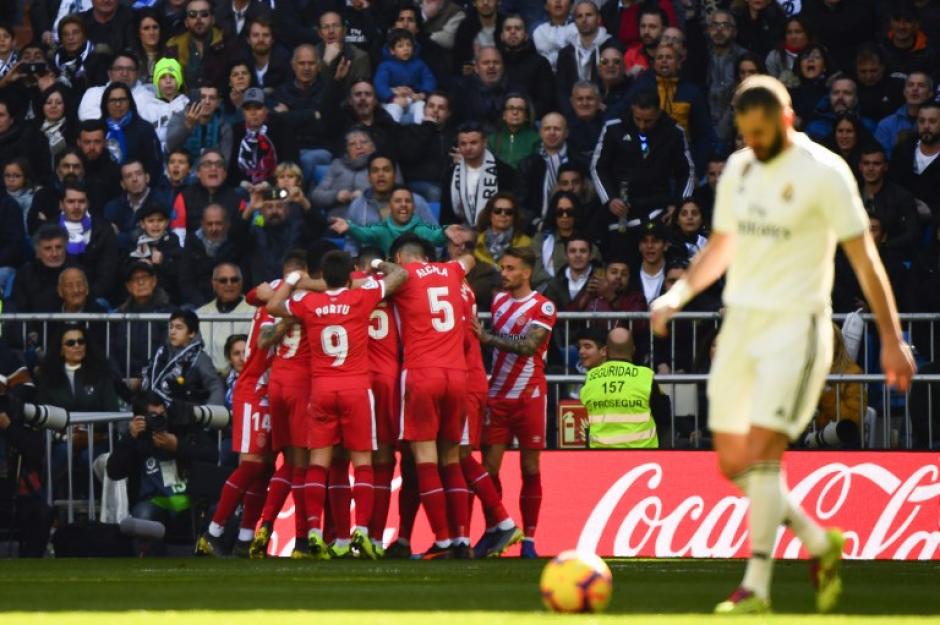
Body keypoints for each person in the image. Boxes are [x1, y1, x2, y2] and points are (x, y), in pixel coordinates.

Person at [650, 75, 915, 614]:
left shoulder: (825, 173)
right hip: (742, 326)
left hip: (797, 329)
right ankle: (820, 543)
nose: (755, 145)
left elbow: (865, 259)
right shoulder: (741, 170)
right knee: (731, 460)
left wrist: (891, 339)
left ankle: (757, 586)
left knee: (765, 454)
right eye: (746, 135)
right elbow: (722, 244)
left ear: (788, 118)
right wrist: (678, 292)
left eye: (763, 134)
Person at [266, 251, 408, 559]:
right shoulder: (362, 298)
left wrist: (293, 279)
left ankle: (315, 531)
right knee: (363, 463)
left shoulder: (310, 303)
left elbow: (274, 305)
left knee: (319, 462)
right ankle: (362, 531)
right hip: (356, 388)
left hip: (322, 390)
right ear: (349, 277)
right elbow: (400, 277)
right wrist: (377, 266)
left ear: (322, 277)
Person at [388, 233, 476, 558]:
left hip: (423, 373)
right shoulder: (451, 271)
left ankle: (441, 542)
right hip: (457, 375)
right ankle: (462, 539)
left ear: (399, 258)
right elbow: (469, 260)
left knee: (424, 459)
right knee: (451, 460)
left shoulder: (402, 277)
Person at [472, 246, 555, 558]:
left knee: (530, 468)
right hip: (498, 398)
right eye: (502, 268)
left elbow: (529, 345)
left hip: (530, 396)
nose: (504, 274)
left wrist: (488, 339)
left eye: (510, 268)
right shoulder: (497, 300)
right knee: (489, 469)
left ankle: (530, 540)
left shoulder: (543, 307)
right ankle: (495, 529)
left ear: (526, 272)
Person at [194, 290, 284, 558]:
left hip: (272, 391)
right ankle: (212, 533)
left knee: (264, 468)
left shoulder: (283, 302)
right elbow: (267, 335)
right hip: (255, 391)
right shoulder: (274, 308)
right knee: (251, 465)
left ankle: (245, 539)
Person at [106, 390, 218, 556]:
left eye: (162, 415)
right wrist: (130, 438)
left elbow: (212, 455)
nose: (159, 421)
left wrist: (178, 447)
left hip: (188, 499)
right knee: (144, 515)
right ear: (140, 418)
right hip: (153, 502)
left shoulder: (180, 426)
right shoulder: (137, 438)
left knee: (216, 511)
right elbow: (114, 472)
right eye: (153, 417)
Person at [590, 89, 694, 259]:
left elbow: (687, 172)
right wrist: (609, 198)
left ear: (659, 113)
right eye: (638, 119)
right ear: (632, 109)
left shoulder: (674, 132)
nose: (642, 125)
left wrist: (679, 205)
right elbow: (598, 167)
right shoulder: (613, 128)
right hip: (621, 206)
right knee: (620, 259)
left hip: (658, 204)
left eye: (648, 121)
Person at [37, 324, 118, 496]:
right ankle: (49, 509)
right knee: (60, 454)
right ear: (60, 350)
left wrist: (89, 435)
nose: (77, 346)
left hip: (97, 439)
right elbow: (44, 415)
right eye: (71, 343)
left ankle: (93, 515)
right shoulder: (49, 378)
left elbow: (113, 412)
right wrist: (66, 435)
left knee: (88, 458)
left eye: (81, 341)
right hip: (61, 439)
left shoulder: (101, 374)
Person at [0, 339, 53, 557]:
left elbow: (35, 452)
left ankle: (32, 567)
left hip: (10, 493)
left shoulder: (13, 413)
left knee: (41, 513)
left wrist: (9, 425)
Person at [580, 326, 665, 448]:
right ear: (633, 350)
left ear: (606, 350)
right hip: (643, 456)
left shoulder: (591, 378)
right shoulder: (646, 377)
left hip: (600, 456)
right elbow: (663, 415)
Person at [331, 185, 451, 255]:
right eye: (398, 201)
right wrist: (349, 227)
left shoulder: (421, 230)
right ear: (389, 206)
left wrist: (446, 232)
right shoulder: (382, 230)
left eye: (408, 201)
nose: (403, 204)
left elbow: (436, 236)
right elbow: (364, 233)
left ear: (414, 207)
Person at [441, 121, 518, 226]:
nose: (468, 148)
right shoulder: (450, 174)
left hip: (497, 228)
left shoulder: (505, 172)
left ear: (484, 143)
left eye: (473, 143)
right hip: (461, 230)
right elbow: (446, 214)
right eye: (463, 144)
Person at [59, 179, 119, 303]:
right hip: (58, 298)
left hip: (93, 297)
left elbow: (107, 275)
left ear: (88, 204)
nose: (76, 206)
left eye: (81, 201)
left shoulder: (103, 230)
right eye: (71, 202)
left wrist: (84, 296)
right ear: (61, 204)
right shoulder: (50, 230)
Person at [858, 145, 919, 260]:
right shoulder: (851, 194)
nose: (870, 168)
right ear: (860, 166)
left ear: (885, 167)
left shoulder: (902, 197)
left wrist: (883, 246)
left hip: (891, 256)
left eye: (876, 164)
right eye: (866, 163)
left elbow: (913, 233)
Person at [230, 87, 299, 186]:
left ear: (266, 110)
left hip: (275, 187)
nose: (253, 113)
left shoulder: (281, 128)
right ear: (243, 112)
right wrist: (242, 183)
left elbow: (289, 162)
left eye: (258, 108)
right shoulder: (235, 131)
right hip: (243, 187)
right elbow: (231, 167)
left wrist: (268, 183)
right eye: (248, 108)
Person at [195, 263, 254, 375]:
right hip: (203, 380)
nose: (229, 284)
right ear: (214, 284)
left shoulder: (255, 312)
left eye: (234, 280)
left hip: (237, 380)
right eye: (223, 280)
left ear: (241, 282)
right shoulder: (200, 314)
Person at [100, 82, 164, 183]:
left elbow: (154, 164)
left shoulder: (144, 129)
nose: (118, 104)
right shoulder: (99, 129)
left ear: (130, 102)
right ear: (105, 104)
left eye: (122, 100)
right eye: (113, 100)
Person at [104, 160, 174, 251]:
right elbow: (109, 240)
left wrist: (121, 237)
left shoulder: (163, 201)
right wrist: (136, 236)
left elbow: (159, 237)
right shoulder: (112, 207)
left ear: (147, 178)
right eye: (128, 176)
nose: (134, 179)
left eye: (139, 174)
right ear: (122, 184)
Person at [813, 323, 866, 444]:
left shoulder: (852, 373)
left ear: (837, 344)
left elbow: (852, 419)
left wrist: (827, 395)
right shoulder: (806, 372)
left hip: (840, 440)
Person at [889, 102, 940, 221]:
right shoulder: (903, 150)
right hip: (901, 220)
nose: (926, 126)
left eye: (932, 121)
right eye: (922, 121)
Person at [498, 14, 555, 119]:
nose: (513, 32)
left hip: (531, 121)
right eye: (508, 29)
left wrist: (525, 116)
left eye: (518, 28)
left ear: (526, 35)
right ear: (501, 36)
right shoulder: (495, 62)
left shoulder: (540, 63)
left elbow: (545, 100)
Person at [375, 28, 436, 124]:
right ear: (392, 50)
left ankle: (421, 130)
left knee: (420, 105)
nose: (406, 48)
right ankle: (392, 132)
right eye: (400, 46)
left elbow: (429, 80)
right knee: (394, 110)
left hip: (413, 99)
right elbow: (380, 85)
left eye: (409, 45)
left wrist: (422, 94)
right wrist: (392, 98)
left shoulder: (419, 64)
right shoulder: (385, 65)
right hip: (392, 101)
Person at [556, 0, 610, 108]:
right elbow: (561, 90)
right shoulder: (565, 54)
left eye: (589, 15)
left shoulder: (610, 47)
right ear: (574, 21)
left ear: (598, 18)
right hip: (573, 112)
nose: (584, 20)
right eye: (579, 16)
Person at [310, 127, 375, 218]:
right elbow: (316, 196)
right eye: (352, 144)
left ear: (373, 147)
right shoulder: (337, 165)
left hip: (369, 224)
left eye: (364, 142)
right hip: (336, 223)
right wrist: (336, 196)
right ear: (347, 150)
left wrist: (366, 196)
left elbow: (394, 195)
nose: (359, 147)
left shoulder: (382, 164)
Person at [165, 82, 233, 166]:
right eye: (202, 97)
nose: (207, 102)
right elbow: (170, 146)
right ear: (195, 98)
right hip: (183, 172)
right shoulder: (179, 117)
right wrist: (187, 126)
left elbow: (225, 162)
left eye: (212, 98)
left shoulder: (223, 125)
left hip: (211, 172)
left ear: (218, 103)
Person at [874, 71, 933, 159]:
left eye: (921, 85)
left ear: (930, 94)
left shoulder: (937, 124)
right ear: (904, 92)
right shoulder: (886, 125)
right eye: (910, 85)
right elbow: (882, 160)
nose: (915, 89)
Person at [473, 192, 532, 267]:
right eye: (497, 211)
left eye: (509, 212)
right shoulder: (475, 242)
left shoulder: (526, 244)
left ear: (514, 216)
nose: (503, 214)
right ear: (489, 214)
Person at [486, 93, 540, 170]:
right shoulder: (492, 139)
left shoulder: (536, 139)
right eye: (511, 108)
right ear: (504, 115)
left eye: (520, 109)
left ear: (526, 116)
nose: (515, 112)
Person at [543, 234, 597, 309]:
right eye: (572, 251)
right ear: (565, 255)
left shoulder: (600, 281)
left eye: (583, 251)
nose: (578, 255)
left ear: (590, 255)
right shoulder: (554, 284)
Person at [37, 84, 78, 160]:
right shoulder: (33, 130)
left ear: (65, 106)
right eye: (49, 102)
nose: (53, 106)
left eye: (59, 103)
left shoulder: (73, 129)